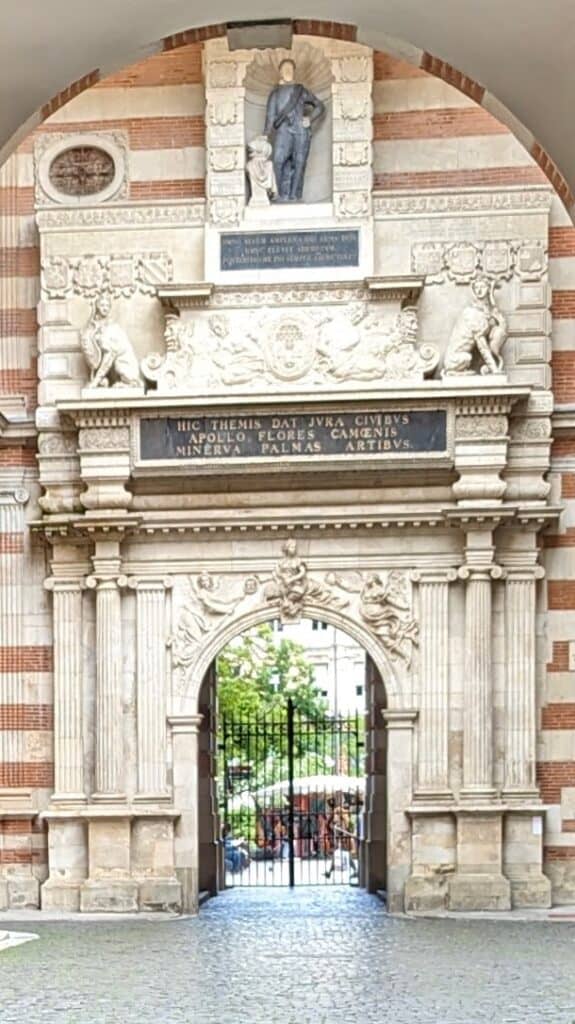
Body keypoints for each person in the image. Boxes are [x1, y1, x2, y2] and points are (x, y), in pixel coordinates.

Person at [264, 58, 325, 202]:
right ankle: (277, 194)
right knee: (278, 160)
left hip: (300, 131)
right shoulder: (275, 93)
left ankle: (295, 196)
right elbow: (270, 116)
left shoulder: (301, 90)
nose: (288, 71)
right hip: (283, 130)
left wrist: (309, 119)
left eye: (290, 69)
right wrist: (265, 134)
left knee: (299, 162)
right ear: (280, 72)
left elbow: (320, 106)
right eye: (285, 69)